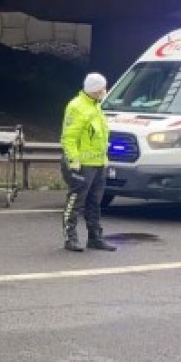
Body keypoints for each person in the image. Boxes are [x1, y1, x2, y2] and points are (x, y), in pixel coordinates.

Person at [60, 73, 116, 252]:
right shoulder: (77, 107)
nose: (105, 91)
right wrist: (73, 161)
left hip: (98, 163)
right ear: (96, 89)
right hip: (82, 164)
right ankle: (70, 237)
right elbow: (68, 137)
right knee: (76, 201)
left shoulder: (96, 106)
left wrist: (104, 159)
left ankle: (95, 237)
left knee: (94, 201)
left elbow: (100, 136)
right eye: (103, 88)